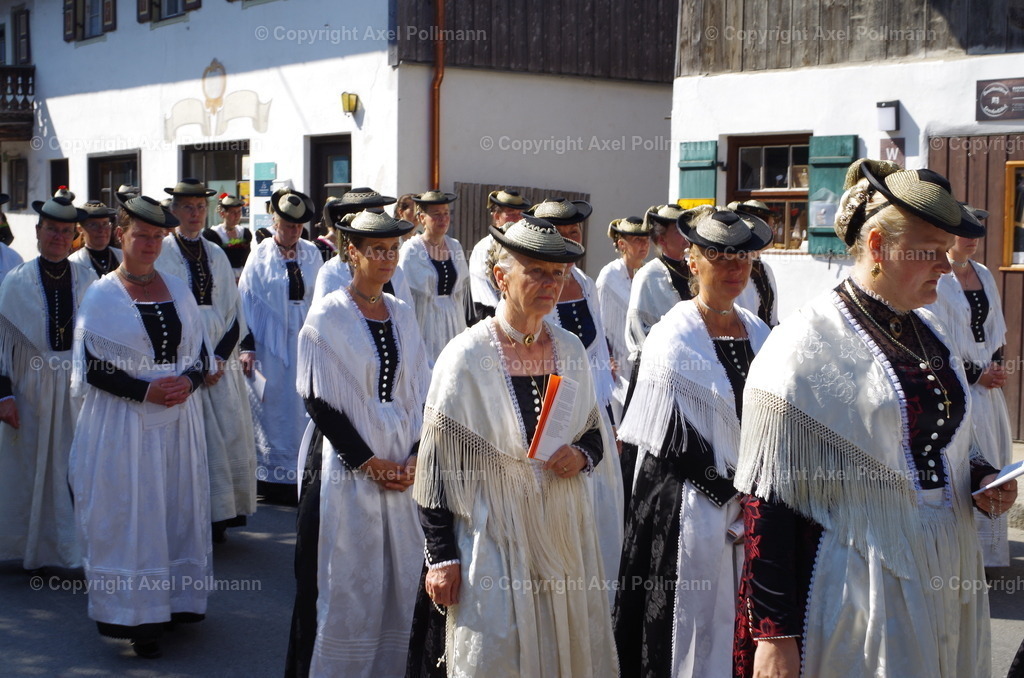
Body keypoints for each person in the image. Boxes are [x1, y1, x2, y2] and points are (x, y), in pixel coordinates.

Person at [733, 159, 1015, 678]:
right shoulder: (804, 345)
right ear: (880, 247)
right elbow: (768, 503)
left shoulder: (931, 329)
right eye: (930, 252)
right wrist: (774, 635)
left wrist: (981, 478)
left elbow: (943, 443)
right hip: (862, 584)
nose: (945, 266)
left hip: (947, 566)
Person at [408, 216, 618, 677]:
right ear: (501, 277)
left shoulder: (570, 349)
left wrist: (582, 454)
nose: (549, 283)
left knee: (564, 649)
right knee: (498, 654)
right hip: (492, 536)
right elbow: (436, 471)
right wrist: (441, 556)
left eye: (557, 274)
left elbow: (593, 432)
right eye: (536, 271)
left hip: (563, 531)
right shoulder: (465, 356)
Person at [614, 208, 771, 677]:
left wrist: (757, 492)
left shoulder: (760, 332)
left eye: (742, 258)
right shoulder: (672, 336)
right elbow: (668, 437)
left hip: (751, 502)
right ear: (693, 262)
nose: (734, 269)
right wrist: (731, 493)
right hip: (689, 505)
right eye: (720, 257)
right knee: (688, 625)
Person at [286, 210, 430, 678]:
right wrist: (369, 462)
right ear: (353, 252)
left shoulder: (403, 313)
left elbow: (422, 389)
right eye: (377, 250)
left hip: (403, 459)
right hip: (351, 464)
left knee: (400, 574)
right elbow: (317, 398)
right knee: (348, 576)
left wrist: (413, 455)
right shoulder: (329, 314)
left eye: (392, 250)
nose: (387, 259)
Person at [70, 192, 210, 659]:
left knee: (173, 507)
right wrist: (145, 390)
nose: (149, 244)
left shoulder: (178, 286)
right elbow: (93, 367)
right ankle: (136, 616)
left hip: (176, 421)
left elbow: (201, 354)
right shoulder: (102, 293)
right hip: (123, 424)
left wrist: (187, 382)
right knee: (134, 513)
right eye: (140, 236)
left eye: (156, 236)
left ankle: (174, 602)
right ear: (120, 236)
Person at [527, 196, 623, 594]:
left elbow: (597, 352)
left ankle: (592, 603)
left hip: (590, 416)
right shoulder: (533, 288)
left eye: (575, 232)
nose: (570, 241)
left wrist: (607, 414)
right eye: (561, 234)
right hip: (545, 418)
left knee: (597, 511)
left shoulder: (586, 285)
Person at [0, 196, 96, 571]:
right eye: (51, 230)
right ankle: (29, 548)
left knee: (75, 469)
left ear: (74, 235)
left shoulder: (90, 281)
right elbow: (1, 344)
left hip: (76, 394)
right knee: (28, 469)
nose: (57, 237)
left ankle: (72, 551)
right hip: (30, 394)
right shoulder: (15, 282)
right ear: (38, 232)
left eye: (65, 231)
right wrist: (4, 395)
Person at [161, 178, 257, 542]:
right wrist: (200, 361)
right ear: (174, 211)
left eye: (200, 207)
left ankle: (220, 517)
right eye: (187, 207)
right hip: (183, 360)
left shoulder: (216, 252)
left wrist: (218, 357)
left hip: (222, 362)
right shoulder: (165, 253)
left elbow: (234, 312)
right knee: (191, 440)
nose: (194, 214)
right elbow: (168, 311)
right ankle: (188, 518)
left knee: (226, 436)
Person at [929, 207, 1013, 568]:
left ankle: (989, 554)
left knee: (992, 458)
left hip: (986, 389)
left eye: (978, 233)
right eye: (966, 233)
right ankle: (966, 555)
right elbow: (936, 336)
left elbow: (994, 327)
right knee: (966, 461)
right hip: (956, 384)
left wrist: (993, 365)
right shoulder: (939, 277)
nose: (973, 240)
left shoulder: (982, 274)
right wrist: (974, 373)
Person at [239, 188, 322, 501]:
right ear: (275, 221)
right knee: (271, 407)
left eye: (298, 227)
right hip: (269, 349)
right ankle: (271, 479)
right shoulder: (259, 255)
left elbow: (321, 295)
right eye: (288, 225)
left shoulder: (312, 253)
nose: (293, 232)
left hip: (305, 344)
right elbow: (244, 301)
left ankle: (300, 474)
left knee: (302, 408)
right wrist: (247, 346)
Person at [398, 190, 468, 363]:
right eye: (436, 215)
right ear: (422, 218)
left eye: (446, 213)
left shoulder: (455, 247)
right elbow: (403, 297)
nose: (443, 219)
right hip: (425, 326)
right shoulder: (411, 250)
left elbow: (461, 295)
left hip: (454, 324)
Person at [595, 215, 650, 413]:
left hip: (642, 360)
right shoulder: (609, 276)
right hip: (616, 362)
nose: (644, 245)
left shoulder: (647, 273)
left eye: (646, 240)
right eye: (637, 240)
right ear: (622, 244)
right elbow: (599, 322)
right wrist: (606, 357)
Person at [625, 204, 691, 365]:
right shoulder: (648, 275)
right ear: (662, 239)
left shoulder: (694, 269)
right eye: (678, 231)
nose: (686, 236)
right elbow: (638, 330)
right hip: (663, 362)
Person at [468, 189, 530, 321]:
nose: (518, 219)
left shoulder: (524, 247)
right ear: (496, 216)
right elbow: (485, 292)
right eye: (511, 214)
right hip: (490, 315)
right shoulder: (483, 248)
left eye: (520, 214)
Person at [732, 201, 779, 327]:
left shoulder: (765, 268)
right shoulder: (736, 269)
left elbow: (772, 316)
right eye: (772, 226)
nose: (774, 232)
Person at [203, 193, 252, 280]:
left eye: (239, 212)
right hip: (222, 277)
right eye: (233, 212)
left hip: (243, 277)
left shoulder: (244, 233)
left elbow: (247, 260)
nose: (237, 216)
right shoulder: (213, 234)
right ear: (222, 214)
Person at [69, 201, 121, 277]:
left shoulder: (122, 256)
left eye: (105, 224)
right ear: (80, 229)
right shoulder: (74, 263)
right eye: (94, 225)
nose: (101, 230)